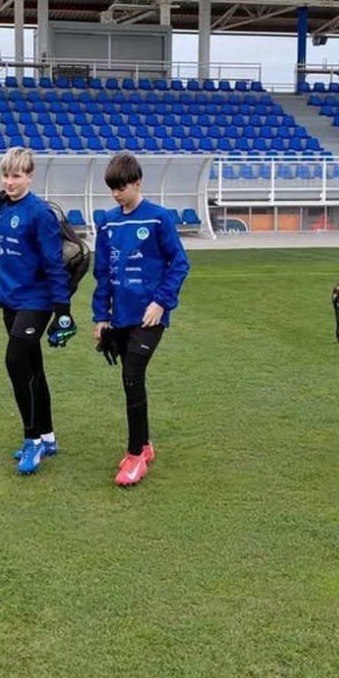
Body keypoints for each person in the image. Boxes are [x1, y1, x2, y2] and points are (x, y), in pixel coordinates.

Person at [92, 152, 190, 487]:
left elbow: (180, 264)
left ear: (137, 183)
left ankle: (135, 457)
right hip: (119, 318)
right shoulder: (107, 221)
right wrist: (100, 317)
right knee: (130, 378)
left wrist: (161, 303)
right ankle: (145, 445)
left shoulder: (159, 219)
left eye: (122, 187)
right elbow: (102, 272)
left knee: (132, 375)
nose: (116, 194)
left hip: (149, 318)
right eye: (112, 188)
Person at [0, 146, 76, 475]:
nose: (9, 181)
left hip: (36, 300)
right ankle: (48, 437)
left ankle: (32, 439)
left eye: (16, 175)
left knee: (15, 361)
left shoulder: (39, 213)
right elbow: (8, 247)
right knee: (33, 369)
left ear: (30, 176)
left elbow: (54, 263)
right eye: (5, 175)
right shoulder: (2, 208)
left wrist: (63, 309)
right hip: (9, 297)